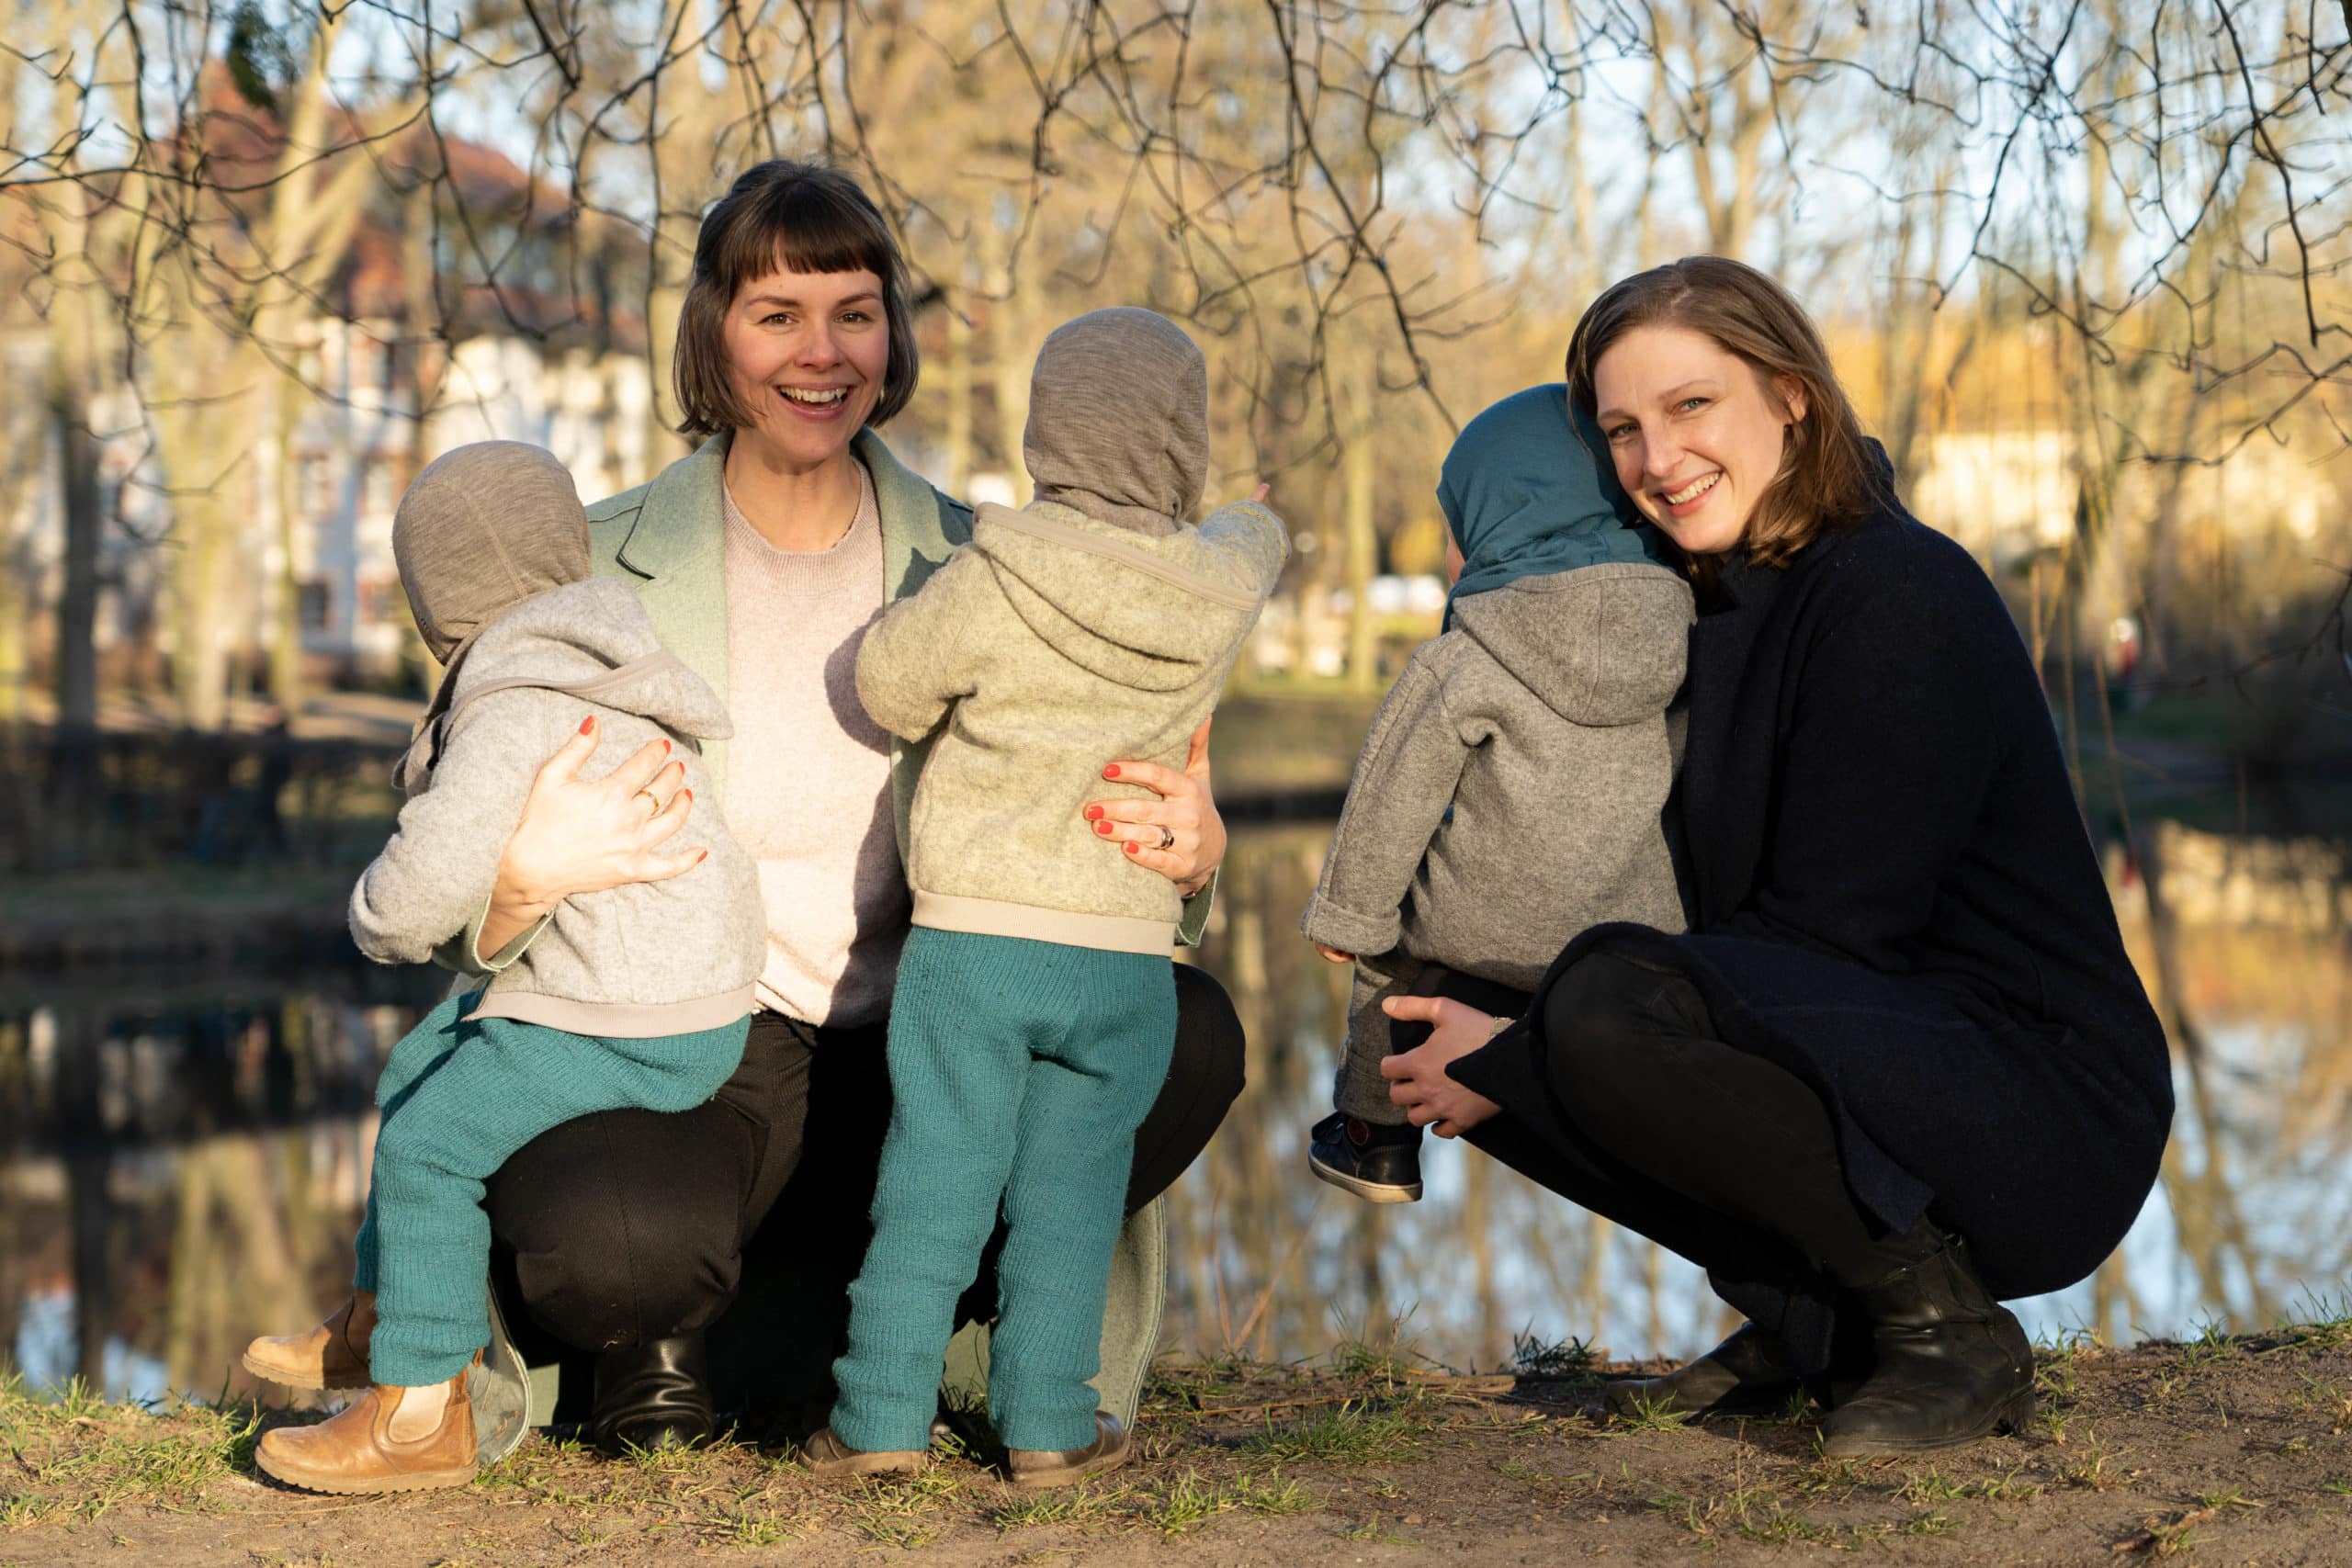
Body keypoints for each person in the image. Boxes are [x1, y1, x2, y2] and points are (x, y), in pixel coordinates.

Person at [425, 162, 1250, 1458]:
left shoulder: (999, 562)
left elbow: (1115, 817)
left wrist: (1192, 854)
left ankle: (887, 1334)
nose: (821, 352)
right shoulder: (585, 561)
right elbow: (437, 835)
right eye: (777, 314)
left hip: (932, 1029)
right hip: (688, 1048)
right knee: (616, 1243)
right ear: (713, 334)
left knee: (1186, 1030)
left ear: (892, 335)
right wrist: (515, 888)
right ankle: (720, 1328)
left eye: (854, 311)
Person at [1373, 256, 2172, 1459]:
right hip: (1869, 1050)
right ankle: (1822, 1318)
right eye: (1624, 428)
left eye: (1692, 406)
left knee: (1590, 1007)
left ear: (1792, 396)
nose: (1657, 457)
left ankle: (1944, 1327)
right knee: (1435, 1006)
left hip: (2035, 1099)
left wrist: (1536, 1049)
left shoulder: (1898, 589)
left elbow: (1830, 935)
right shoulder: (1705, 606)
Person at [796, 308, 1284, 1485]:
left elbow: (888, 684)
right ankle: (1050, 1426)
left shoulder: (995, 570)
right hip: (1124, 951)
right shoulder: (1215, 593)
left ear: (1042, 432)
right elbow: (1255, 538)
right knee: (1073, 1197)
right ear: (1181, 439)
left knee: (936, 1183)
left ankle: (878, 1422)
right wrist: (1241, 511)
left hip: (979, 941)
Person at [244, 443, 766, 1492]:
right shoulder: (606, 664)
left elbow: (423, 891)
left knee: (431, 1146)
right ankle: (383, 1316)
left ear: (442, 597)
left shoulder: (515, 702)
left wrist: (372, 912)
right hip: (675, 996)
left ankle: (417, 1419)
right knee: (419, 1067)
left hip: (637, 1016)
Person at [1297, 385, 1689, 1204]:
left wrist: (1349, 914)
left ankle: (1375, 1140)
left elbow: (1391, 794)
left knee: (1389, 965)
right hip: (1636, 938)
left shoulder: (1469, 652)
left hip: (1480, 930)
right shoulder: (1683, 632)